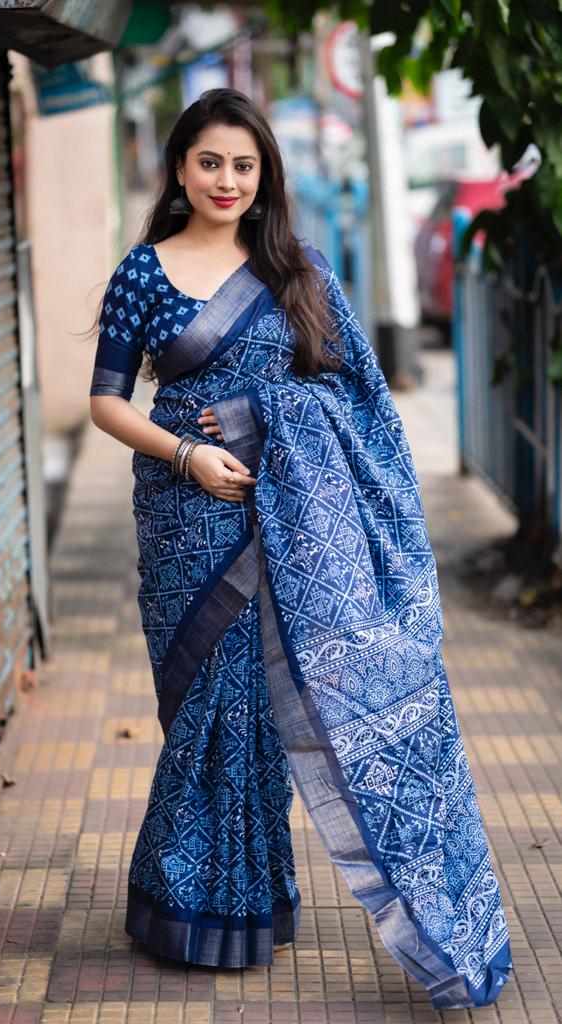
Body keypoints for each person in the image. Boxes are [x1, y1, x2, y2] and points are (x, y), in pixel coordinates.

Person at [88, 88, 512, 1010]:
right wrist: (192, 453)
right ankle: (182, 897)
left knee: (260, 713)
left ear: (265, 173)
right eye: (210, 163)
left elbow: (362, 405)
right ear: (179, 168)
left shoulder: (299, 272)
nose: (227, 180)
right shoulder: (142, 273)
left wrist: (257, 417)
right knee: (206, 703)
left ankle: (246, 901)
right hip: (185, 516)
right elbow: (108, 401)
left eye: (244, 165)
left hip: (292, 523)